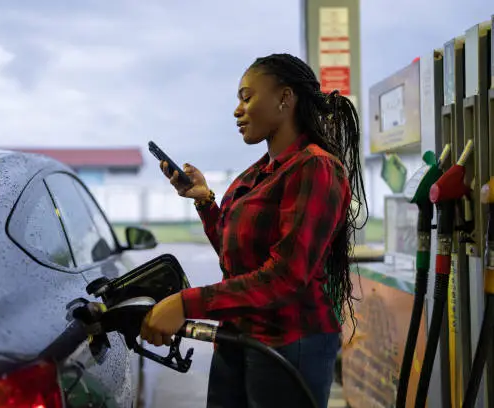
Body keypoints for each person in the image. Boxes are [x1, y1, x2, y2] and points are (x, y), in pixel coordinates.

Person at [139, 53, 367, 408]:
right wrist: (204, 202)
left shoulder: (316, 169)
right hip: (240, 336)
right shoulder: (258, 172)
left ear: (285, 99)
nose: (237, 110)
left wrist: (187, 303)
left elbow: (286, 276)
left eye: (247, 98)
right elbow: (237, 258)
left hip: (291, 342)